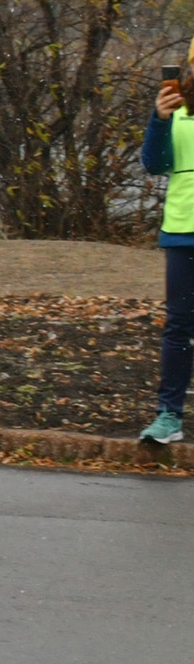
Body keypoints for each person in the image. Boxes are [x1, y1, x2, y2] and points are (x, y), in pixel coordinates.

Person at [139, 41, 194, 446]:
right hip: (183, 232)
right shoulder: (174, 112)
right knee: (179, 328)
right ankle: (168, 417)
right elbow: (154, 164)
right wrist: (158, 120)